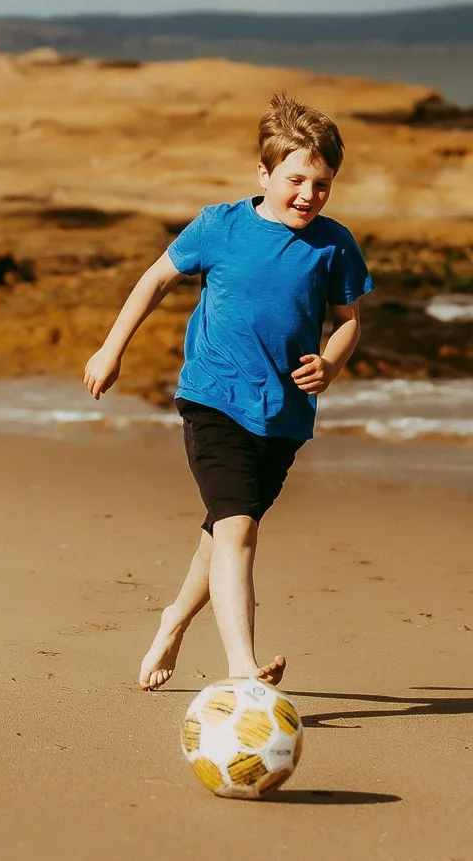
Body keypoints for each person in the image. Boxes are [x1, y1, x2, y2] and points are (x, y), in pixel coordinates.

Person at [83, 93, 371, 690]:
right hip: (212, 397)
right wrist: (112, 349)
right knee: (239, 527)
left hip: (284, 413)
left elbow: (348, 320)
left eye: (322, 185)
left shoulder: (334, 244)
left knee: (221, 531)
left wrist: (333, 363)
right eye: (295, 180)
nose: (307, 196)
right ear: (263, 174)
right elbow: (156, 278)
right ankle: (242, 668)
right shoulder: (220, 226)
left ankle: (172, 622)